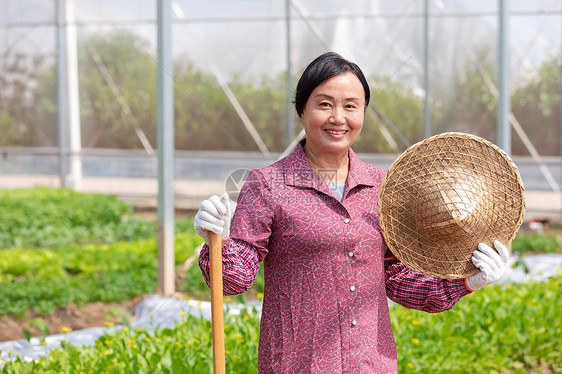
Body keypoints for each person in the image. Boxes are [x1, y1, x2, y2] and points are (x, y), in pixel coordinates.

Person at [194, 52, 509, 373]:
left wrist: (467, 282)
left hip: (370, 364)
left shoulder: (384, 187)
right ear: (302, 110)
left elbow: (398, 277)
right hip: (298, 365)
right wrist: (216, 238)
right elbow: (234, 280)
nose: (338, 117)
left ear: (363, 112)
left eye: (350, 106)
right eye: (325, 104)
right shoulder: (269, 185)